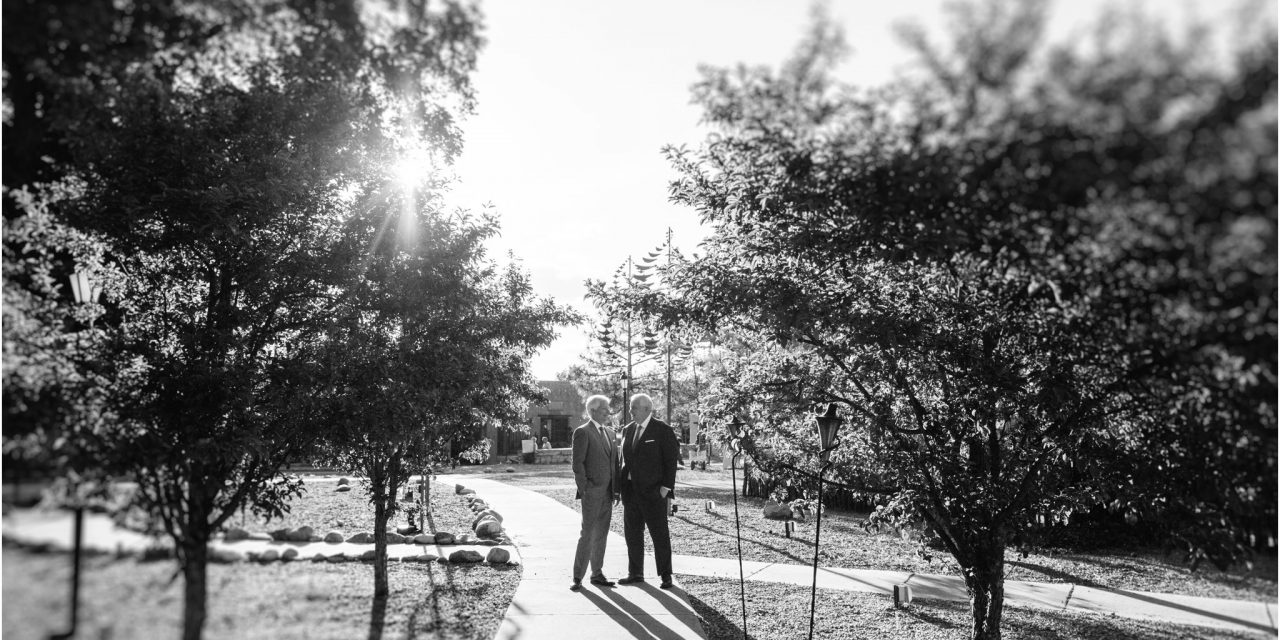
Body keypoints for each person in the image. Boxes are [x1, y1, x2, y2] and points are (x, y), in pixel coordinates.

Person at [617, 393, 680, 589]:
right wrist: (620, 489)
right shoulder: (627, 430)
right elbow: (624, 460)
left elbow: (671, 461)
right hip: (631, 492)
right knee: (633, 534)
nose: (630, 411)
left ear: (646, 409)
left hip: (654, 493)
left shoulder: (662, 430)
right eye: (630, 407)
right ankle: (635, 573)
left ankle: (665, 575)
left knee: (659, 535)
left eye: (634, 407)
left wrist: (665, 489)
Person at [570, 394, 619, 591]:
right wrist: (585, 489)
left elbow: (614, 463)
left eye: (608, 409)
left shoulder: (610, 433)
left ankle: (597, 574)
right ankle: (577, 577)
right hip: (591, 492)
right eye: (604, 409)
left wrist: (616, 491)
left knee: (602, 535)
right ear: (592, 411)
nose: (608, 412)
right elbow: (577, 464)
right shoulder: (582, 432)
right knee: (587, 534)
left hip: (608, 493)